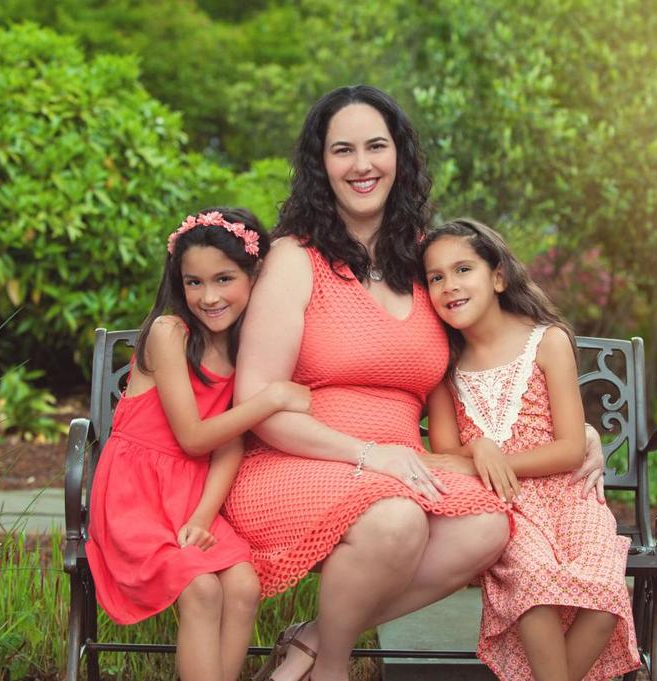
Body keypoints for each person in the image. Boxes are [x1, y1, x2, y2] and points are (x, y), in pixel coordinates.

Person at [220, 86, 518, 681]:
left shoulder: (425, 261)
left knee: (487, 525)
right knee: (396, 520)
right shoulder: (294, 259)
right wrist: (366, 454)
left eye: (376, 146)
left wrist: (582, 433)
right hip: (295, 461)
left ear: (399, 155)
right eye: (343, 150)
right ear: (320, 165)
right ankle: (331, 668)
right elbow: (257, 404)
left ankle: (310, 643)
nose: (362, 165)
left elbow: (500, 349)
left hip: (400, 469)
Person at [85, 208, 311, 681]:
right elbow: (192, 437)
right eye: (194, 282)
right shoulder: (170, 333)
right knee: (202, 588)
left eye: (224, 279)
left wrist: (203, 517)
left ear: (254, 276)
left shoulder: (246, 348)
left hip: (192, 495)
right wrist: (271, 399)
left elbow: (228, 445)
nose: (209, 297)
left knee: (243, 586)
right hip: (135, 495)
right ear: (179, 283)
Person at [421, 218, 640, 681]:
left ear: (498, 277)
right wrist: (479, 449)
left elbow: (570, 448)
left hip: (570, 496)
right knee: (534, 585)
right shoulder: (444, 365)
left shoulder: (547, 340)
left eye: (463, 269)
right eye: (435, 277)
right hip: (504, 505)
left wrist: (497, 459)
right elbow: (446, 454)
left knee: (604, 597)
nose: (449, 285)